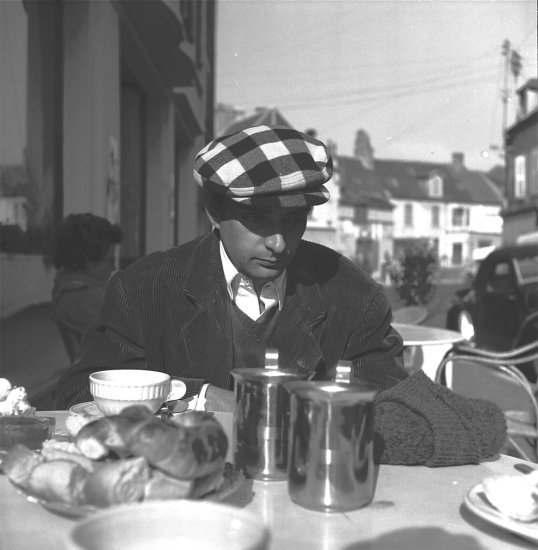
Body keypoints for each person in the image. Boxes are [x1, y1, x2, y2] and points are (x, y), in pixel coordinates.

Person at [55, 126, 506, 466]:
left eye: (294, 220)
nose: (278, 243)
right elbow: (77, 395)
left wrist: (279, 412)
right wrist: (198, 396)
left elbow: (389, 405)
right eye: (258, 219)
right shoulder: (144, 287)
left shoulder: (350, 292)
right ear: (214, 210)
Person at [51, 213, 123, 334]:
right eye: (110, 261)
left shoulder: (68, 289)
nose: (113, 268)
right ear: (89, 261)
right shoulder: (84, 299)